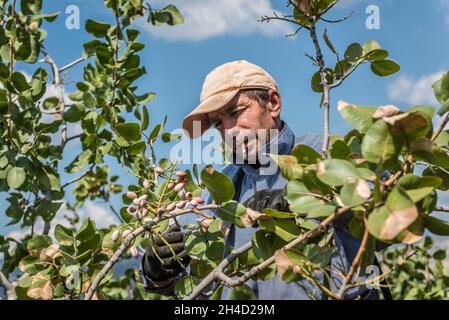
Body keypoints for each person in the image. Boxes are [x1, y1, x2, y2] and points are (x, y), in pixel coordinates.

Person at [141, 60, 383, 300]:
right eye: (218, 124)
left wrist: (304, 200)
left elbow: (386, 216)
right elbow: (192, 284)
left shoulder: (328, 153)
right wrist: (156, 269)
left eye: (235, 113)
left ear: (273, 103)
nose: (229, 131)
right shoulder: (221, 188)